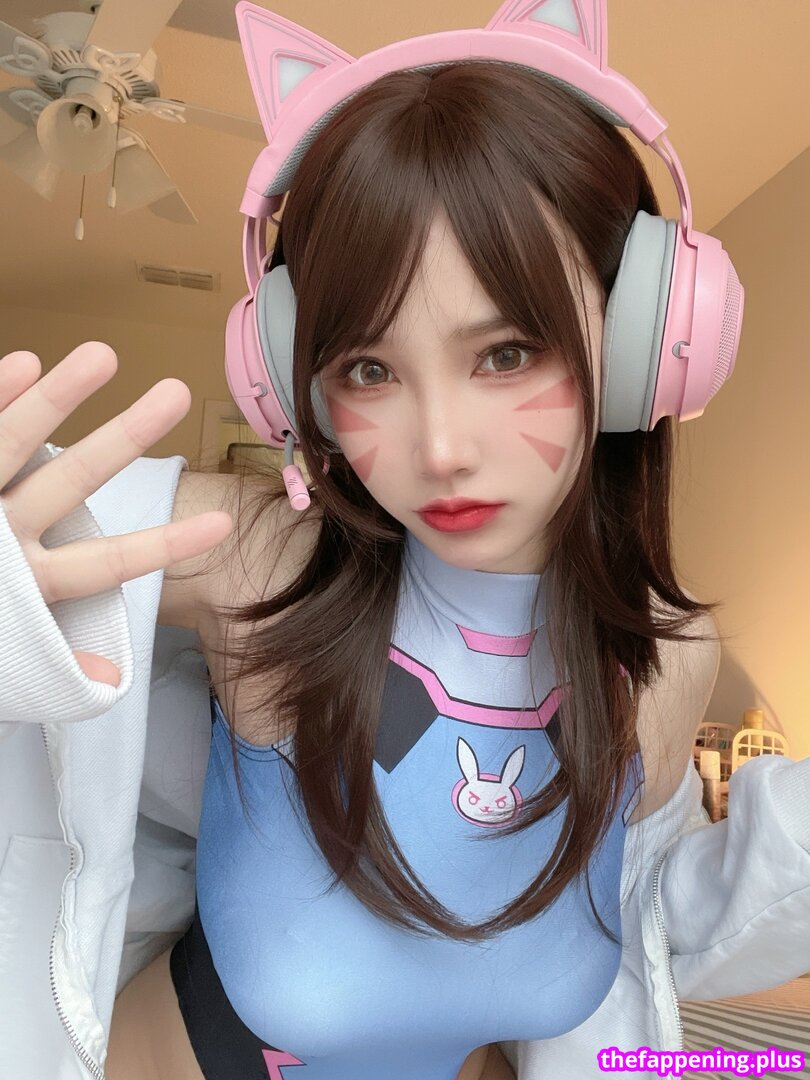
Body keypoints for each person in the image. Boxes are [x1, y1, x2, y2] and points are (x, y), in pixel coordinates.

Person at [1, 3, 808, 1079]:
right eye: (369, 370)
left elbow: (638, 925)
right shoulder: (258, 558)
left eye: (508, 352)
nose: (439, 450)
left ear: (645, 340)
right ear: (297, 385)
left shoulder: (666, 660)